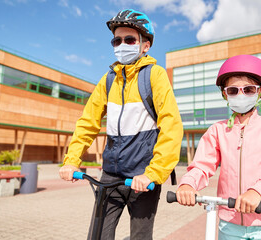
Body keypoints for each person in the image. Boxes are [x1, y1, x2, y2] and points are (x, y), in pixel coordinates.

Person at [59, 9, 183, 240]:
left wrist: (153, 174)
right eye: (117, 40)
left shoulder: (154, 75)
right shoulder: (108, 80)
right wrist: (71, 161)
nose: (122, 44)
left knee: (140, 237)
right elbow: (87, 123)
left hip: (143, 177)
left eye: (129, 39)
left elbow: (171, 125)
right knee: (97, 235)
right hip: (110, 177)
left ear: (145, 45)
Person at [175, 55, 261, 239]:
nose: (240, 95)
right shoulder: (217, 131)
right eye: (233, 90)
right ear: (225, 94)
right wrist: (188, 184)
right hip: (229, 224)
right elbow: (202, 165)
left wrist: (259, 191)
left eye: (249, 89)